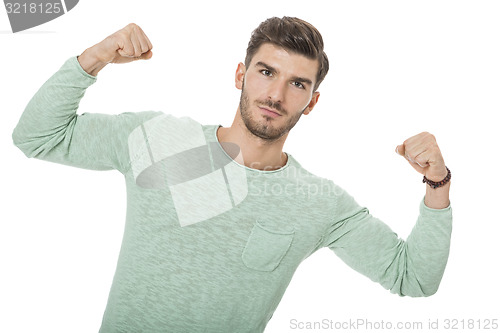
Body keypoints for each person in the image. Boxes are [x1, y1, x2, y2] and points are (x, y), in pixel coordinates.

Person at [12, 17, 452, 333]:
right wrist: (94, 58)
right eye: (266, 72)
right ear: (241, 75)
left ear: (312, 102)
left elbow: (412, 277)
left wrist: (438, 185)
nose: (276, 95)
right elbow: (36, 137)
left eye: (298, 84)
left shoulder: (318, 202)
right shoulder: (158, 139)